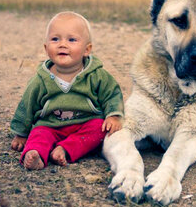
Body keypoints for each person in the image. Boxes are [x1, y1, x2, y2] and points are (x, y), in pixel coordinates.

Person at [10, 11, 123, 170]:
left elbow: (112, 94)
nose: (62, 44)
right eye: (55, 39)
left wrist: (114, 115)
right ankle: (36, 155)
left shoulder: (96, 75)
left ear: (87, 49)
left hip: (85, 124)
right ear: (46, 47)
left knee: (99, 127)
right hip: (51, 126)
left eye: (72, 40)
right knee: (38, 133)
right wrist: (21, 133)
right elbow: (27, 105)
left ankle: (64, 150)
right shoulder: (41, 79)